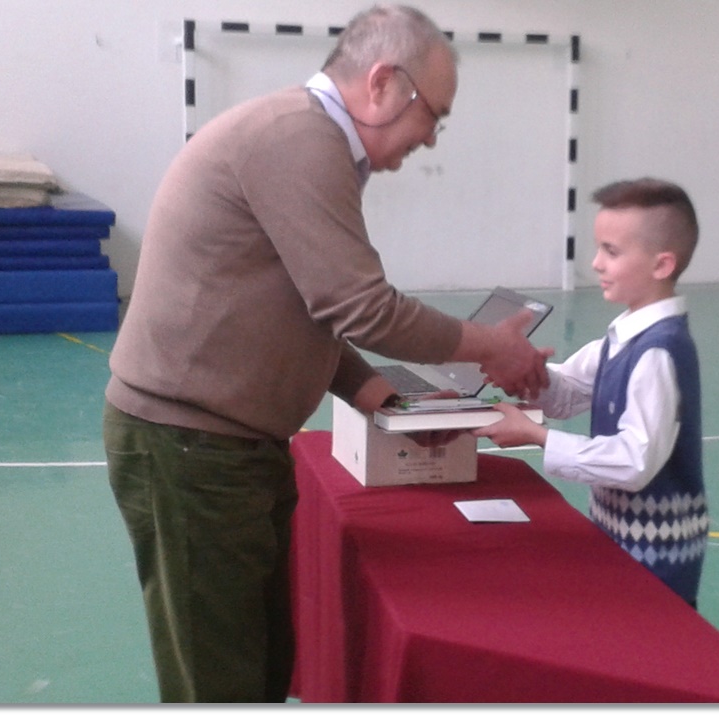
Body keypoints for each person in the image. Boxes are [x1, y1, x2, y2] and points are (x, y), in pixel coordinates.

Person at [102, 4, 551, 703]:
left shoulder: (308, 140)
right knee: (219, 682)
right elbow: (363, 307)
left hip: (227, 447)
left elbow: (306, 310)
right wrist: (494, 347)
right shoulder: (298, 139)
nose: (430, 138)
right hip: (190, 447)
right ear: (383, 83)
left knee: (261, 664)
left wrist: (389, 401)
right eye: (433, 115)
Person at [474, 177, 708, 608]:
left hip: (656, 560)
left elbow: (634, 461)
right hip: (618, 541)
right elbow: (568, 391)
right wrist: (525, 373)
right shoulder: (623, 337)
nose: (596, 263)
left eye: (611, 252)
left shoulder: (659, 351)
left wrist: (537, 436)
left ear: (661, 265)